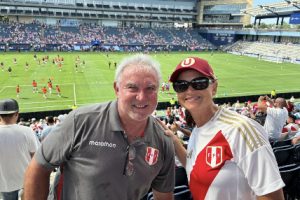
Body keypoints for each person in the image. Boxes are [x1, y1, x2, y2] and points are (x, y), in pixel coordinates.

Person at [24, 54, 175, 200]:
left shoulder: (163, 141)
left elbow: (163, 196)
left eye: (150, 88)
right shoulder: (81, 121)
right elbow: (38, 167)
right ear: (117, 89)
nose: (141, 97)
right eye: (132, 87)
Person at [165, 57, 285, 200]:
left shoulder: (241, 129)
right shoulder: (198, 130)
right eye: (181, 85)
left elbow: (271, 196)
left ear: (214, 87)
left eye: (199, 83)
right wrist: (173, 140)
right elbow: (196, 170)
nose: (189, 90)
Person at [0, 99, 39, 200]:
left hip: (4, 183)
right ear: (17, 114)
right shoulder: (27, 131)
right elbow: (36, 157)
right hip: (26, 181)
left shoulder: (27, 131)